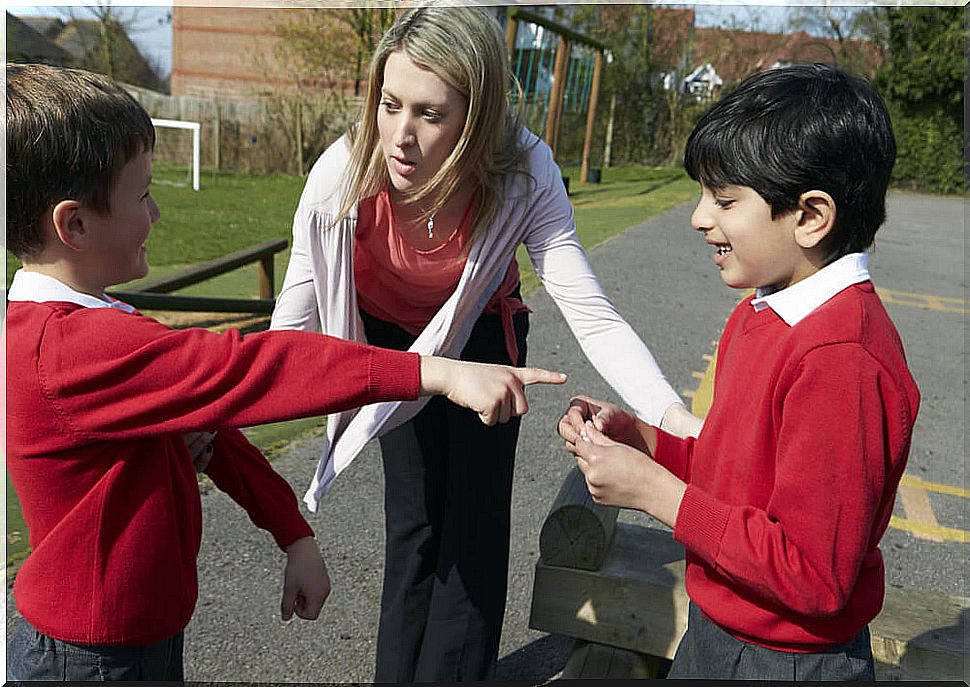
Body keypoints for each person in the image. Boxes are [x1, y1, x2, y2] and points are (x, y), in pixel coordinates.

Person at [4, 62, 566, 682]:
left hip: (133, 637)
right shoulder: (69, 350)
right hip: (88, 659)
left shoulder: (100, 327)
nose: (157, 213)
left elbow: (213, 432)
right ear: (75, 225)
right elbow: (250, 371)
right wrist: (435, 372)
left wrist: (291, 531)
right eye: (141, 195)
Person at [270, 6, 700, 682]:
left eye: (429, 115)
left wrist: (676, 421)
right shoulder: (341, 175)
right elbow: (288, 332)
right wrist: (215, 416)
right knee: (414, 522)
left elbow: (590, 311)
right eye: (389, 105)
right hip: (394, 343)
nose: (400, 137)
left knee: (471, 527)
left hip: (482, 334)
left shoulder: (525, 171)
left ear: (478, 118)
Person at [559, 64, 921, 681]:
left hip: (790, 660)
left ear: (811, 216)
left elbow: (813, 573)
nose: (701, 218)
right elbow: (735, 470)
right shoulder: (761, 314)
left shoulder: (842, 360)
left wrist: (655, 494)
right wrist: (644, 443)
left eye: (725, 201)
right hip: (719, 628)